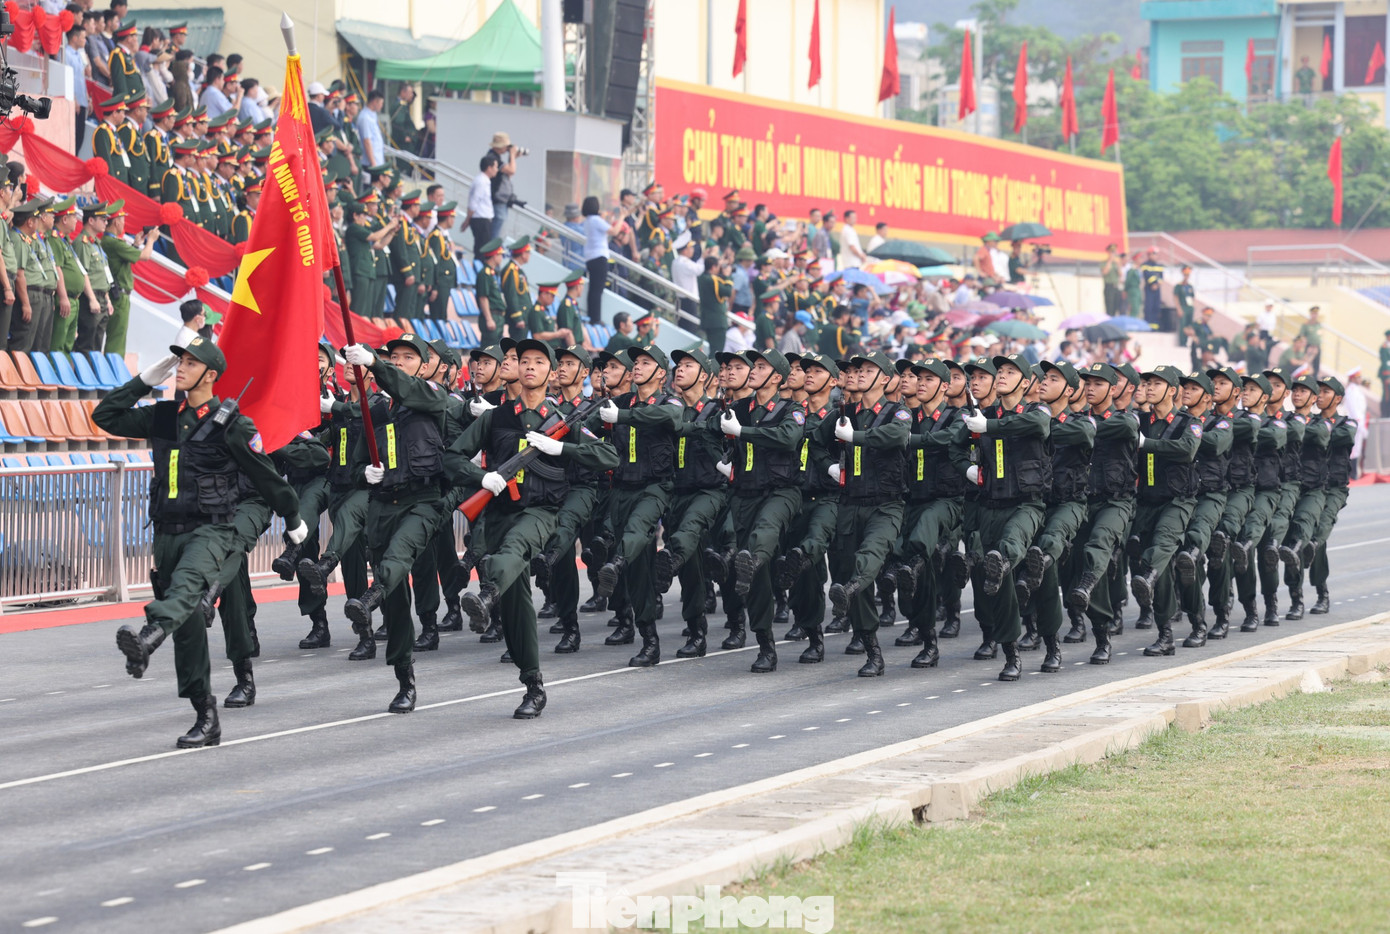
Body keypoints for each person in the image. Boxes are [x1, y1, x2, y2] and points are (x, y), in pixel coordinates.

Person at [98, 333, 305, 748]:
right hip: (166, 533)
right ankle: (206, 715)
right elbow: (106, 416)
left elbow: (265, 475)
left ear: (210, 375)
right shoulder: (164, 416)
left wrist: (293, 517)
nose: (180, 369)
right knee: (190, 627)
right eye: (179, 362)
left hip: (211, 530)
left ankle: (149, 637)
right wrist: (143, 381)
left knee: (189, 588)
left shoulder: (232, 425)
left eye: (190, 364)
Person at [449, 339, 619, 718]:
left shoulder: (561, 419)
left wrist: (563, 449)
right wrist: (482, 477)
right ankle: (533, 684)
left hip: (541, 513)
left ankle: (486, 595)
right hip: (499, 513)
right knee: (518, 606)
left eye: (539, 362)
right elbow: (452, 458)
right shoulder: (495, 418)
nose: (529, 366)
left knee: (510, 554)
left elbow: (608, 455)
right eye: (523, 360)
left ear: (551, 373)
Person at [580, 196, 624, 325]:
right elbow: (614, 231)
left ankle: (593, 317)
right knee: (597, 289)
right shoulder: (596, 220)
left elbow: (605, 229)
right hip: (599, 257)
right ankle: (596, 318)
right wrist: (622, 217)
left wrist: (608, 219)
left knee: (594, 289)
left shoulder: (589, 220)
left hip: (591, 257)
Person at [487, 130, 521, 239]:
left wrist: (513, 158)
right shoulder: (493, 158)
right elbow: (511, 171)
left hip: (501, 201)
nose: (507, 149)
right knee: (497, 234)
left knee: (501, 232)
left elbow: (507, 175)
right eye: (506, 146)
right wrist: (512, 155)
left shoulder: (496, 157)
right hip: (498, 200)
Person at [465, 152, 499, 253]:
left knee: (482, 247)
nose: (497, 170)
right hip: (481, 219)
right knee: (482, 249)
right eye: (495, 167)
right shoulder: (481, 181)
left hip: (483, 219)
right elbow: (474, 202)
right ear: (489, 168)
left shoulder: (484, 180)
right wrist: (468, 220)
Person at [1100, 243, 1123, 316]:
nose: (1113, 254)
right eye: (1112, 252)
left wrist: (1118, 264)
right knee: (1109, 308)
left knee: (1116, 308)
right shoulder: (1104, 262)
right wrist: (1109, 261)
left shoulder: (1116, 263)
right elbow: (1105, 272)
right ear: (1108, 252)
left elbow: (1120, 274)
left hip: (1116, 287)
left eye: (1114, 252)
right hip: (1109, 287)